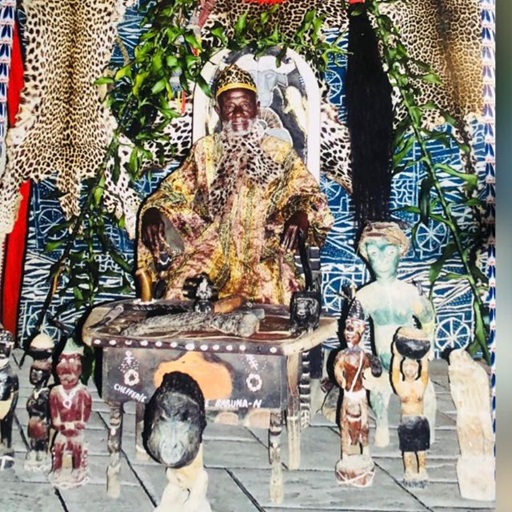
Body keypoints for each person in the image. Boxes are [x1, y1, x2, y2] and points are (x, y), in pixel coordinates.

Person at [138, 64, 333, 305]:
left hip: (265, 253)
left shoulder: (279, 152)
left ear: (257, 108)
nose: (238, 113)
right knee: (179, 292)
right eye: (230, 107)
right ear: (218, 111)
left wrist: (302, 214)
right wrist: (153, 211)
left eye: (245, 105)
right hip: (211, 249)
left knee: (278, 302)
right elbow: (173, 193)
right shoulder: (205, 151)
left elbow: (310, 195)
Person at [354, 221, 436, 447]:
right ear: (366, 255)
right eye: (373, 252)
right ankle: (381, 424)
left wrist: (428, 347)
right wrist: (361, 357)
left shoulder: (409, 293)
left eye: (389, 252)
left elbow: (428, 319)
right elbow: (354, 330)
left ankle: (428, 428)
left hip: (411, 362)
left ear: (400, 251)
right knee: (377, 392)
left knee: (427, 394)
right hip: (383, 363)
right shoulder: (365, 296)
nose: (381, 259)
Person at [333, 299, 381, 487]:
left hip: (359, 396)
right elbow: (337, 370)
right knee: (344, 424)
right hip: (348, 396)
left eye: (352, 330)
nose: (348, 334)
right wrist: (341, 380)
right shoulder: (342, 356)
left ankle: (365, 452)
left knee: (364, 425)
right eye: (347, 329)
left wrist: (372, 376)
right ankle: (345, 454)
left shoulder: (364, 357)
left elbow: (371, 372)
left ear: (362, 331)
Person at [391, 327, 431, 488]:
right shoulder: (400, 386)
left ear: (417, 368)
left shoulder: (421, 384)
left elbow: (425, 369)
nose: (409, 369)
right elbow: (394, 371)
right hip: (406, 421)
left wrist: (424, 355)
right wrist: (396, 355)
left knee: (421, 450)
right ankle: (408, 470)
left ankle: (422, 470)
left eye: (413, 366)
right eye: (406, 366)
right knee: (407, 450)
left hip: (420, 420)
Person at [49, 345, 92, 488]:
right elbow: (54, 412)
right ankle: (57, 468)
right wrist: (58, 423)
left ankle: (78, 469)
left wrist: (79, 423)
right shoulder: (55, 391)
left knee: (77, 447)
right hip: (63, 430)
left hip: (75, 430)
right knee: (58, 446)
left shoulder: (82, 392)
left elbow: (86, 410)